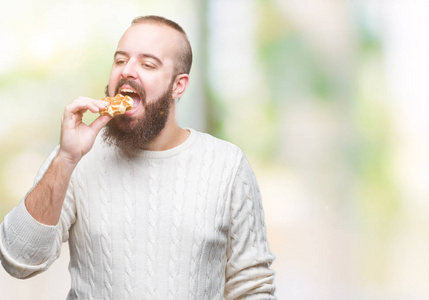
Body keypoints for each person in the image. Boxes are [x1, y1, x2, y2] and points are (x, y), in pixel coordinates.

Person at [0, 15, 276, 299]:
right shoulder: (77, 158)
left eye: (147, 64)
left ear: (178, 86)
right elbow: (18, 259)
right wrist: (66, 159)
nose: (128, 71)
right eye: (120, 60)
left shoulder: (227, 165)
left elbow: (252, 286)